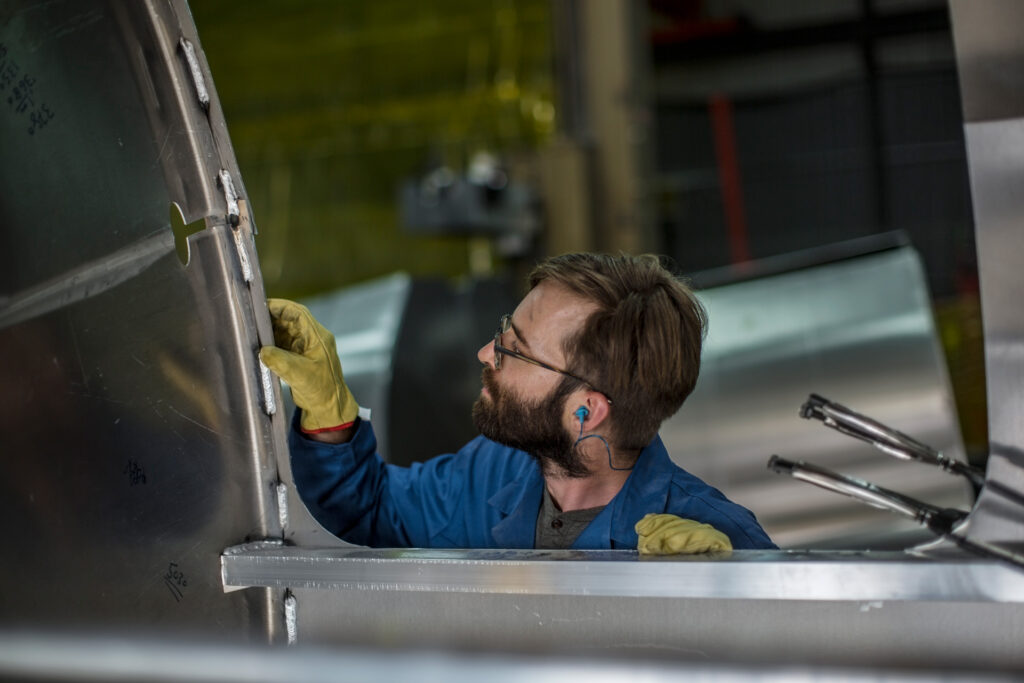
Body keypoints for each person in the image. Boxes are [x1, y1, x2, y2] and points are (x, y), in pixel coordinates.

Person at [261, 252, 775, 553]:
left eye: (515, 350)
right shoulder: (496, 470)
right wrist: (330, 422)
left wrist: (722, 607)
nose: (487, 353)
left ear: (586, 411)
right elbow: (374, 514)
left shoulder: (715, 543)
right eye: (503, 331)